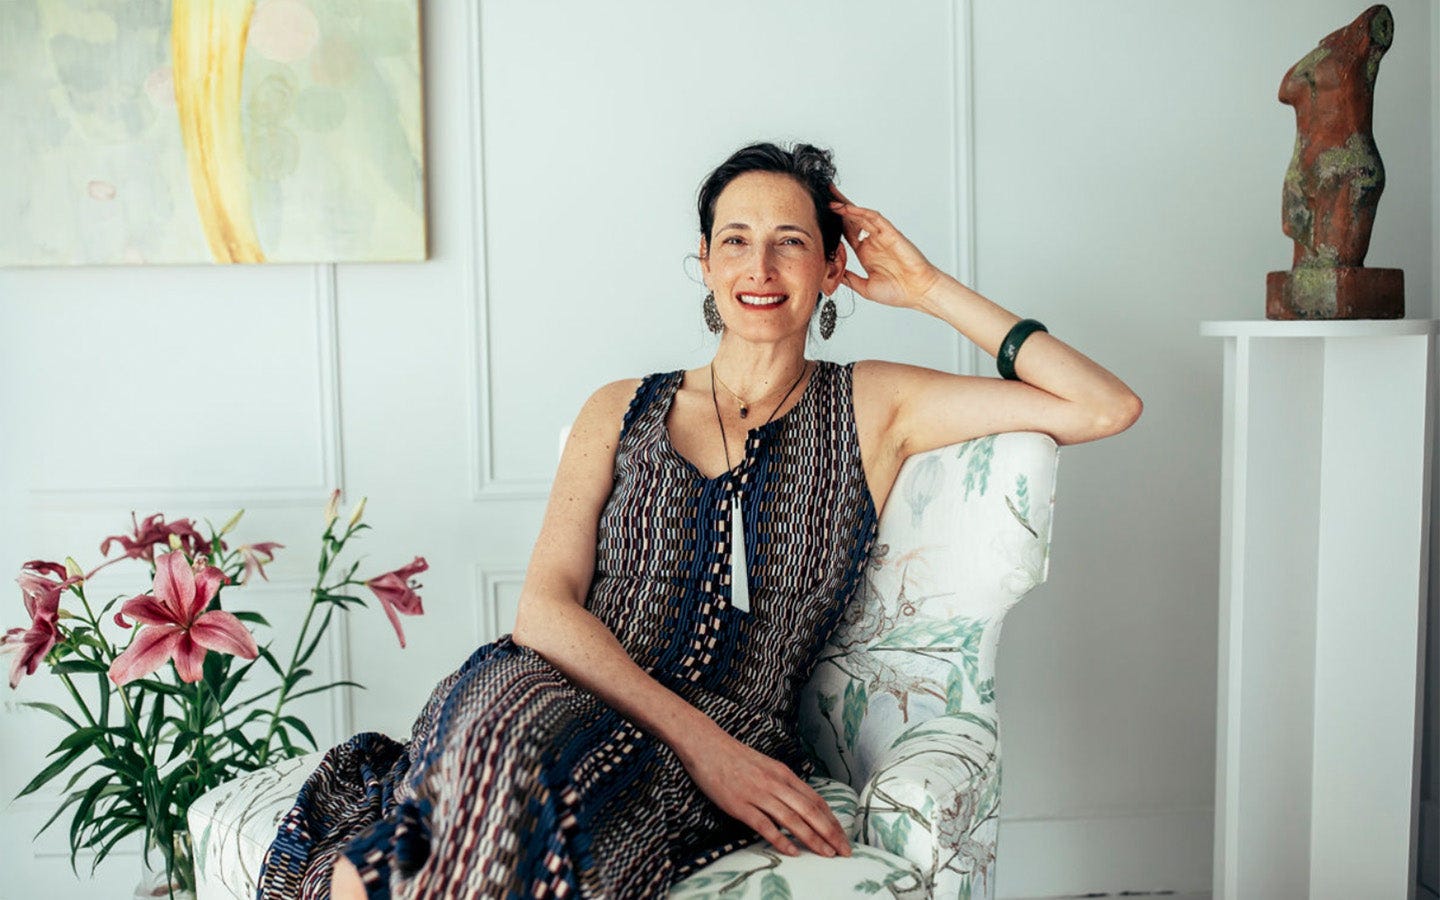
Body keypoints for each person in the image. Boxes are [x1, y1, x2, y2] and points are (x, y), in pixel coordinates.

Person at [257, 141, 1141, 900]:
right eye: (737, 243)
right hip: (551, 685)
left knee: (553, 821)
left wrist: (929, 287)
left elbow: (1104, 406)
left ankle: (374, 878)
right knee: (514, 742)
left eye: (790, 244)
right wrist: (704, 747)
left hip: (711, 733)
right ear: (706, 263)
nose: (760, 270)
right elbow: (543, 610)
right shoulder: (619, 408)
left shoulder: (876, 404)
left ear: (832, 268)